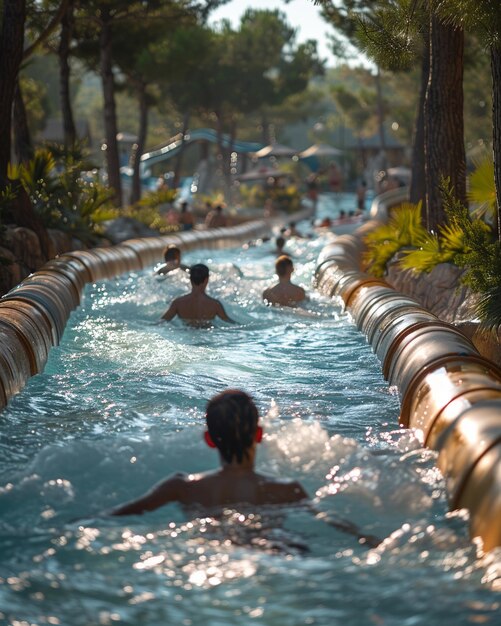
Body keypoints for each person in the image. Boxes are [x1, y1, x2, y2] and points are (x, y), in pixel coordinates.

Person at [109, 390, 308, 514]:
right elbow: (331, 523)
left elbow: (115, 515)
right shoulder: (287, 490)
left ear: (209, 439)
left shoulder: (182, 487)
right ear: (258, 435)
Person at [161, 263, 233, 325]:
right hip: (206, 334)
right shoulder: (215, 305)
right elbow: (229, 322)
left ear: (190, 279)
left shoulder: (178, 303)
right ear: (206, 279)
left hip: (186, 333)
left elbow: (162, 321)